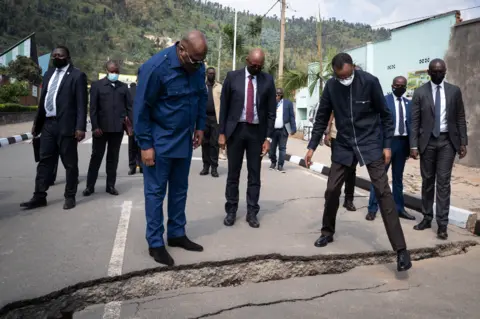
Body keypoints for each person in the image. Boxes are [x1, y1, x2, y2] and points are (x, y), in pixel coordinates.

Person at [304, 53, 411, 272]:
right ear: (335, 73)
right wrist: (311, 146)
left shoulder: (370, 82)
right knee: (332, 189)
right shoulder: (332, 87)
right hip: (343, 143)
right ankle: (327, 232)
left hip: (370, 141)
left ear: (353, 67)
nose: (344, 79)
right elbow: (322, 117)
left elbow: (386, 116)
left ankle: (401, 250)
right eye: (339, 76)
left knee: (383, 191)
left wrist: (387, 145)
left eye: (347, 75)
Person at [134, 30, 208, 266]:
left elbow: (200, 97)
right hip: (160, 139)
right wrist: (145, 144)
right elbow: (141, 109)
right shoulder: (155, 68)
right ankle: (155, 243)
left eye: (201, 61)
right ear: (182, 50)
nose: (198, 66)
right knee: (156, 192)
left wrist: (200, 126)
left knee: (179, 190)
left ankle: (176, 234)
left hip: (184, 140)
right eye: (194, 60)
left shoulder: (197, 67)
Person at [21, 46, 87, 210]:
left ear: (67, 57)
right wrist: (37, 124)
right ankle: (39, 196)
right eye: (54, 55)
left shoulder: (77, 76)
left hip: (67, 126)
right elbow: (42, 101)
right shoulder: (48, 74)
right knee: (44, 161)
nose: (56, 57)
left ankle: (70, 196)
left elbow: (81, 104)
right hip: (48, 125)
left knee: (70, 163)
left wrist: (80, 127)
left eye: (60, 55)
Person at [410, 59, 468, 240]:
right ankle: (427, 218)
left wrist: (463, 142)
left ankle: (442, 224)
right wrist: (413, 145)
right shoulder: (420, 92)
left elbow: (460, 117)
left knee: (443, 183)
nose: (438, 75)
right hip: (427, 142)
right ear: (428, 72)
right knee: (428, 181)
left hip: (447, 142)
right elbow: (414, 121)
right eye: (434, 72)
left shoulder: (454, 91)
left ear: (445, 72)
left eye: (441, 71)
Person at [219, 48, 276, 229]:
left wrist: (268, 138)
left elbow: (271, 112)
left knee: (254, 175)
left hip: (256, 133)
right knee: (233, 174)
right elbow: (224, 107)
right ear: (246, 60)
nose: (256, 68)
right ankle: (231, 211)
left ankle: (252, 212)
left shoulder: (267, 80)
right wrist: (222, 133)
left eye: (260, 66)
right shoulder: (232, 77)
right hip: (236, 131)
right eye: (253, 65)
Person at [366, 76, 416, 221]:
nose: (400, 87)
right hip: (386, 144)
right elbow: (377, 122)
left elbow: (411, 124)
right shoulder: (384, 100)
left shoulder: (409, 103)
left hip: (402, 144)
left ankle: (399, 208)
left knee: (398, 179)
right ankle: (372, 209)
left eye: (403, 85)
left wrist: (412, 146)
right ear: (392, 85)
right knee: (380, 177)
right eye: (397, 85)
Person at [83, 61, 133, 197]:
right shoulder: (97, 86)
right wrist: (95, 127)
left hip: (117, 130)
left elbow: (129, 108)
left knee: (113, 158)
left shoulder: (124, 88)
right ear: (106, 70)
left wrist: (131, 125)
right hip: (101, 130)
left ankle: (110, 185)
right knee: (96, 157)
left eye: (116, 71)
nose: (114, 74)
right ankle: (89, 186)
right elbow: (92, 109)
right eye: (112, 71)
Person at [324, 112, 356, 211]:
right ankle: (330, 198)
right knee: (335, 167)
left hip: (354, 136)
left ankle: (349, 200)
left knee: (351, 169)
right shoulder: (338, 96)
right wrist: (327, 132)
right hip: (336, 136)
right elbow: (331, 113)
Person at [200, 67, 222, 178]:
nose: (211, 75)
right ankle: (205, 166)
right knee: (205, 143)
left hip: (215, 119)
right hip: (204, 119)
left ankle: (214, 168)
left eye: (213, 73)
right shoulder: (201, 86)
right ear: (206, 74)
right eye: (210, 73)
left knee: (214, 144)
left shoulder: (219, 87)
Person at [269, 87, 296, 172]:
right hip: (273, 130)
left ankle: (280, 165)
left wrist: (293, 128)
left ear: (282, 95)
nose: (277, 96)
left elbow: (292, 116)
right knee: (272, 149)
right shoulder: (271, 104)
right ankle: (273, 162)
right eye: (276, 94)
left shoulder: (288, 103)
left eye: (279, 95)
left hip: (284, 129)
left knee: (282, 148)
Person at [128, 80, 142, 175]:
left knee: (141, 145)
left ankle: (142, 166)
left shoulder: (147, 89)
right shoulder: (130, 91)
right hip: (132, 122)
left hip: (143, 122)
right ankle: (132, 166)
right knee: (132, 146)